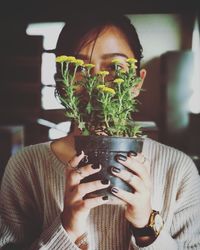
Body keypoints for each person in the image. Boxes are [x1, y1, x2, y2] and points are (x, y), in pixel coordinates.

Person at [0, 14, 200, 250]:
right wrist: (68, 228)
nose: (94, 80)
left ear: (136, 82)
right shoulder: (25, 166)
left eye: (115, 66)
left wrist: (147, 226)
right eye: (78, 67)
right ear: (62, 82)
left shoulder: (178, 170)